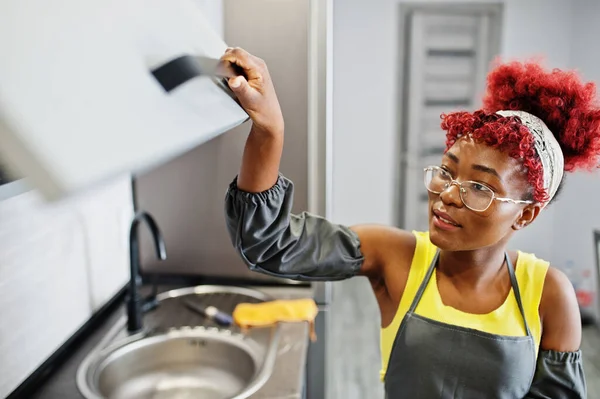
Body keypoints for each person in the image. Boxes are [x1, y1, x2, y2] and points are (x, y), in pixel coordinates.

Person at [220, 46, 598, 398]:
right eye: (446, 173)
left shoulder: (548, 295)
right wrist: (270, 131)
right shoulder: (395, 257)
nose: (448, 194)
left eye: (480, 187)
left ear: (525, 214)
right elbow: (270, 244)